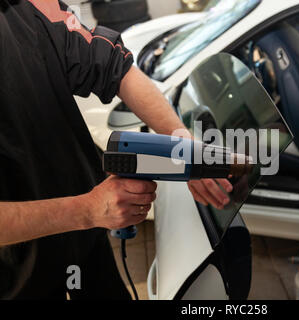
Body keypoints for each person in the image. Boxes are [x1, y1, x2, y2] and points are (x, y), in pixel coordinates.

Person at [0, 0, 231, 299]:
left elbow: (115, 67)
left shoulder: (23, 7)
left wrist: (185, 149)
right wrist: (87, 210)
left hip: (81, 241)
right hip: (18, 278)